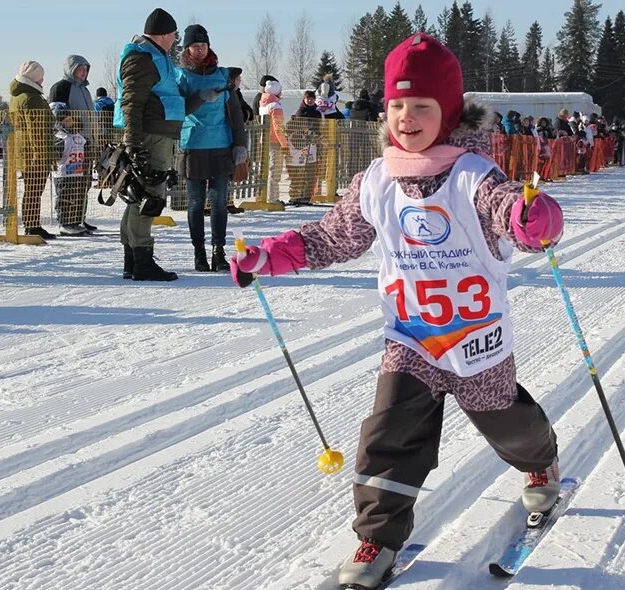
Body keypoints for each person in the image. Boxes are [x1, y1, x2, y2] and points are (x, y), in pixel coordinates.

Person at [229, 33, 564, 589]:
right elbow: (332, 237)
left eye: (422, 107)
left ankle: (541, 460)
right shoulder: (378, 179)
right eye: (398, 106)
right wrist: (270, 257)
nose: (407, 118)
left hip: (475, 335)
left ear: (448, 112)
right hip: (410, 336)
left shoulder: (472, 174)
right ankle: (378, 538)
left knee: (504, 422)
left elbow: (508, 211)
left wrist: (533, 219)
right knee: (388, 435)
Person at [113, 7, 184, 281]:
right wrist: (133, 143)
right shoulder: (142, 58)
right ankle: (141, 260)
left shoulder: (155, 56)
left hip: (157, 132)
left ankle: (133, 260)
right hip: (150, 135)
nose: (176, 39)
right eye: (174, 35)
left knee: (138, 195)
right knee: (148, 195)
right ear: (165, 34)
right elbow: (132, 102)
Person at [175, 24, 248, 272]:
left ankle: (219, 252)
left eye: (203, 45)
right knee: (195, 203)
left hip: (221, 145)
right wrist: (199, 98)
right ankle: (199, 253)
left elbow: (235, 112)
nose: (200, 50)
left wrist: (240, 144)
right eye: (195, 46)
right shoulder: (181, 76)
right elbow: (179, 110)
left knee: (218, 202)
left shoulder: (223, 75)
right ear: (187, 48)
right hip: (193, 145)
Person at [49, 54, 98, 232]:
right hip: (69, 143)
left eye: (86, 69)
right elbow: (57, 114)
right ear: (71, 69)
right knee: (68, 182)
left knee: (84, 183)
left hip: (87, 142)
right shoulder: (61, 87)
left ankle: (79, 218)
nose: (84, 72)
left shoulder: (85, 90)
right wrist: (73, 127)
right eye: (80, 68)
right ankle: (66, 221)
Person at [8, 60, 56, 240]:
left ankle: (32, 224)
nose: (43, 80)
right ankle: (32, 225)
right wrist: (41, 155)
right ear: (34, 78)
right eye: (41, 77)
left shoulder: (18, 96)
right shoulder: (32, 98)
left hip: (25, 151)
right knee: (34, 190)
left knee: (31, 190)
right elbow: (37, 130)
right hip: (35, 152)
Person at [49, 103, 89, 235]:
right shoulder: (60, 138)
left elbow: (85, 146)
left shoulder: (78, 136)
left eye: (70, 120)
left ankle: (74, 222)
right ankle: (64, 223)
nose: (69, 123)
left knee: (74, 198)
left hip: (76, 172)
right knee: (64, 198)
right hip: (63, 173)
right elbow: (56, 155)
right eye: (65, 121)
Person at [258, 78, 289, 204]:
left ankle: (263, 196)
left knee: (266, 169)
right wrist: (284, 144)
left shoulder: (263, 104)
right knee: (275, 170)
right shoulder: (275, 106)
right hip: (275, 141)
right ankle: (273, 198)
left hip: (264, 140)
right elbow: (278, 127)